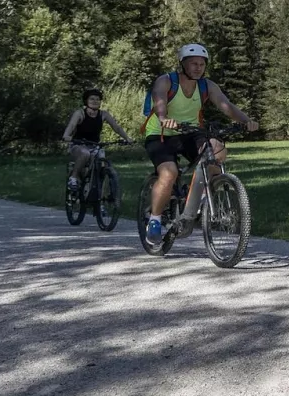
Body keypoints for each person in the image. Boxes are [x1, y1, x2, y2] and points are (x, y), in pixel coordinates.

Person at [141, 43, 258, 246]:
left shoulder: (206, 86)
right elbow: (159, 100)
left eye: (202, 64)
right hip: (161, 134)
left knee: (217, 150)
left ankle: (201, 195)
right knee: (169, 173)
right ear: (182, 64)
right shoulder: (167, 81)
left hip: (191, 132)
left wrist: (246, 121)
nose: (198, 68)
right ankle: (155, 220)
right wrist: (163, 117)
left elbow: (226, 105)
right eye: (193, 63)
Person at [61, 88, 132, 190]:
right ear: (86, 101)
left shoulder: (103, 114)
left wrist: (127, 138)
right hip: (79, 144)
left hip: (95, 145)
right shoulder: (80, 113)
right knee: (85, 153)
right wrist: (66, 136)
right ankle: (74, 177)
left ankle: (101, 188)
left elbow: (116, 127)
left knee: (102, 160)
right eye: (92, 99)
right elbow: (71, 125)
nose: (95, 101)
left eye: (98, 99)